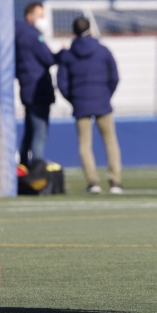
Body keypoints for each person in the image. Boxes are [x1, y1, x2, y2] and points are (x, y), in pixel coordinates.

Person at [57, 16, 123, 194]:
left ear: (74, 32)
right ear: (90, 30)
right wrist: (106, 95)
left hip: (80, 104)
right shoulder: (103, 51)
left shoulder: (68, 55)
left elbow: (61, 83)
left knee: (84, 144)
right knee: (110, 142)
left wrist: (74, 99)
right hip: (102, 102)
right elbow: (114, 77)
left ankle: (92, 182)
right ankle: (115, 182)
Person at [15, 1, 57, 166]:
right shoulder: (32, 36)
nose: (43, 19)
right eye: (40, 15)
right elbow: (48, 58)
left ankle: (24, 165)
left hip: (28, 89)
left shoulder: (22, 35)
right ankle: (37, 166)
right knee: (39, 132)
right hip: (37, 92)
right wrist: (61, 54)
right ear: (29, 16)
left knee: (30, 131)